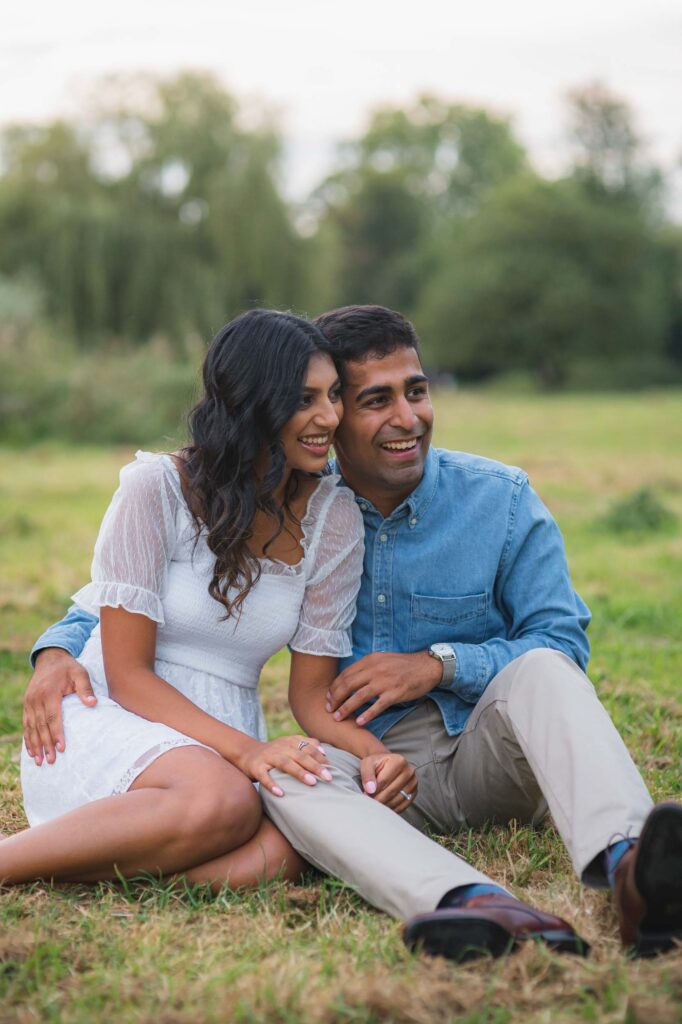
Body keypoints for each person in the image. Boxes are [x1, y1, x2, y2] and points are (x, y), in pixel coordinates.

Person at [21, 306, 681, 961]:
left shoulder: (493, 500)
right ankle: (468, 903)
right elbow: (117, 598)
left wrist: (439, 665)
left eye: (415, 392)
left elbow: (562, 648)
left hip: (486, 752)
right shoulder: (238, 490)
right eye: (370, 399)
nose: (405, 418)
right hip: (341, 763)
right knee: (287, 782)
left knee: (539, 667)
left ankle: (636, 871)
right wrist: (54, 653)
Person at [3, 307, 416, 890]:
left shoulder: (335, 519)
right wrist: (247, 754)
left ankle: (101, 867)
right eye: (304, 400)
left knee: (293, 844)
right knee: (223, 798)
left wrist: (373, 755)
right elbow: (127, 674)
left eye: (333, 396)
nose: (329, 417)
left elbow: (311, 696)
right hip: (117, 717)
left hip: (222, 731)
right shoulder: (155, 489)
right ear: (253, 404)